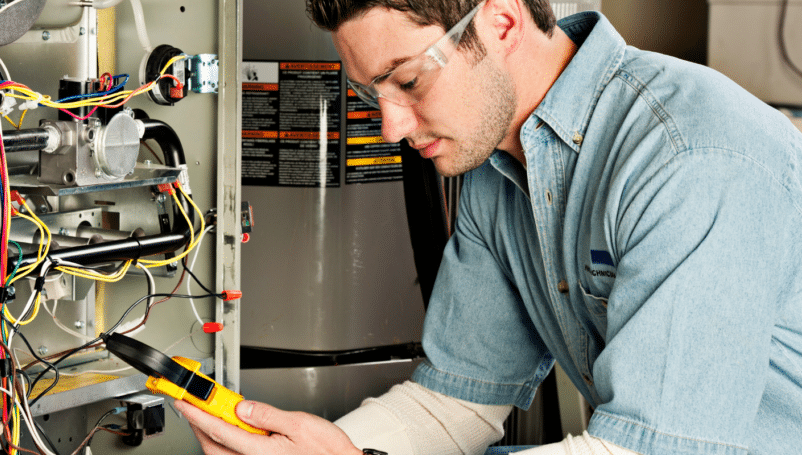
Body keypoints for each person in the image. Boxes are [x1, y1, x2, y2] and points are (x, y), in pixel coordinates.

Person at [177, 0, 802, 453]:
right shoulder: (495, 168)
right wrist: (323, 447)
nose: (390, 127)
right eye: (373, 94)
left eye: (409, 80)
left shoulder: (689, 155)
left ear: (500, 21)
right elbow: (456, 405)